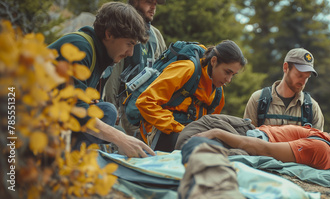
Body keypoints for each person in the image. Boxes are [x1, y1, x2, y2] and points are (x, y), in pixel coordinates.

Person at [48, 2, 155, 158]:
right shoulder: (80, 47)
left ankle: (68, 160)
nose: (131, 53)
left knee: (107, 112)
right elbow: (75, 109)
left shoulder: (100, 58)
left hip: (49, 118)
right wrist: (121, 139)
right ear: (109, 34)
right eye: (129, 44)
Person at [136, 40, 247, 152]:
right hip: (161, 131)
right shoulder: (187, 69)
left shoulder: (218, 92)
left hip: (189, 135)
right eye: (227, 72)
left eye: (233, 75)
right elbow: (145, 101)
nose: (228, 80)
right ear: (213, 61)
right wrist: (181, 130)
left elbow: (210, 123)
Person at [176, 114, 330, 170]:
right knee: (200, 129)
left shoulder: (321, 149)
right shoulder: (326, 141)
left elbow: (265, 149)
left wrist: (217, 133)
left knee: (192, 136)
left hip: (248, 138)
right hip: (251, 130)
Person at [102, 0, 167, 140]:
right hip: (124, 109)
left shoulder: (156, 36)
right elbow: (113, 73)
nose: (153, 7)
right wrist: (112, 107)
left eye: (156, 3)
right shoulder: (122, 31)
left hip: (149, 111)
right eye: (149, 2)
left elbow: (163, 73)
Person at [243, 48, 325, 131]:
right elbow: (247, 138)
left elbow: (318, 142)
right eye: (299, 75)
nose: (303, 82)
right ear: (285, 67)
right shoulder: (258, 100)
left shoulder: (312, 108)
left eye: (307, 77)